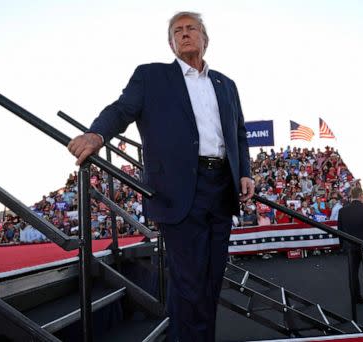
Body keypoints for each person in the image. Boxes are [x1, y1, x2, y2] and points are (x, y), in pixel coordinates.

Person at [67, 11, 254, 342]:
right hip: (179, 192)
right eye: (177, 31)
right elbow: (121, 110)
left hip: (222, 190)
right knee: (190, 282)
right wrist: (96, 135)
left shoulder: (226, 84)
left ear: (204, 39)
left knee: (211, 282)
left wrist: (245, 173)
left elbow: (237, 133)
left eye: (191, 28)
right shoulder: (151, 77)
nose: (184, 34)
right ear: (171, 43)